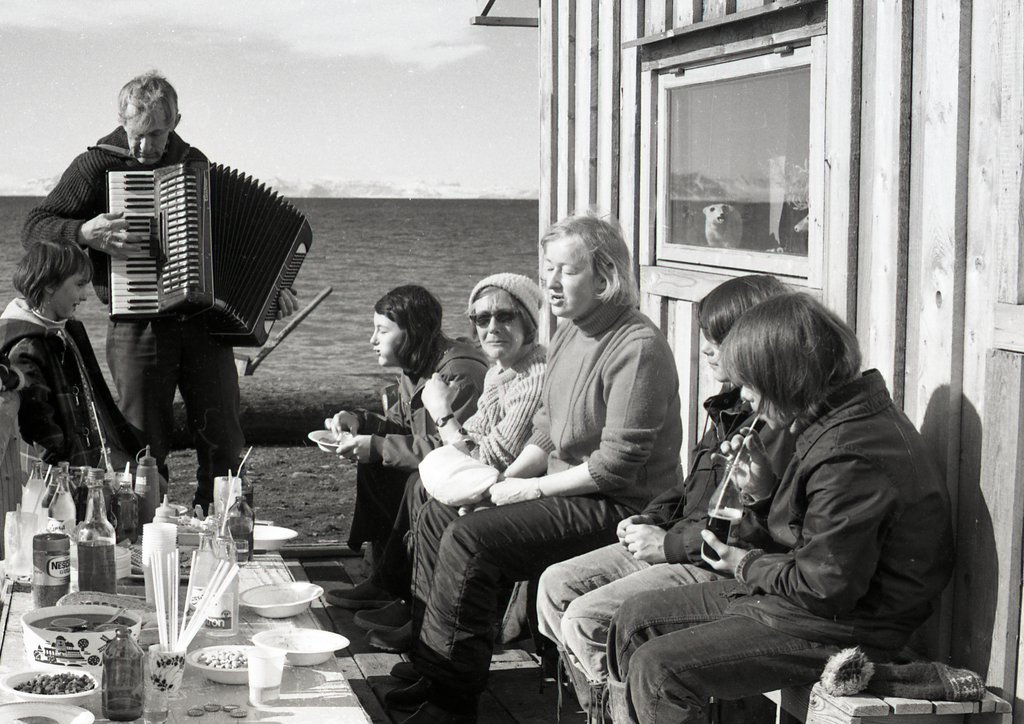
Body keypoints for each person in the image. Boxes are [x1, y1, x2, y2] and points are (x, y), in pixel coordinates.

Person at [603, 293, 954, 724]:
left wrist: (745, 564)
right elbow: (815, 543)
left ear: (788, 377)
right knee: (634, 618)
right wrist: (764, 491)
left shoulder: (851, 453)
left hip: (851, 626)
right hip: (811, 607)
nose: (745, 397)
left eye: (752, 383)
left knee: (660, 669)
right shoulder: (832, 423)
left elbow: (826, 587)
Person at [395, 214, 684, 724]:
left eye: (564, 271)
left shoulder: (636, 347)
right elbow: (549, 427)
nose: (549, 282)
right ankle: (432, 664)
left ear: (605, 277)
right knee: (444, 513)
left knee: (473, 540)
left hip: (621, 506)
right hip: (566, 490)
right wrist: (505, 483)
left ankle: (452, 702)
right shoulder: (574, 333)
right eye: (547, 268)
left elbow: (618, 466)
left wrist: (529, 493)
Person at [20, 71, 294, 513]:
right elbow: (34, 227)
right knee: (143, 446)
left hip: (204, 327)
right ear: (121, 121)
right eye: (138, 134)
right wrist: (84, 231)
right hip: (137, 326)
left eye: (158, 134)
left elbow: (229, 245)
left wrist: (272, 291)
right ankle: (146, 538)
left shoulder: (195, 162)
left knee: (225, 438)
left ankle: (221, 528)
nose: (146, 146)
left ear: (177, 121)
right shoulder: (97, 165)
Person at [533, 274, 792, 722]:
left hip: (713, 564)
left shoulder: (776, 421)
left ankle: (617, 710)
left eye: (719, 339)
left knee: (587, 618)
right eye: (705, 337)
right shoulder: (730, 408)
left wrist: (668, 545)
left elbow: (751, 533)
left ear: (756, 341)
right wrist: (652, 517)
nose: (707, 349)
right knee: (555, 586)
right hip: (680, 540)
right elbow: (694, 486)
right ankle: (606, 708)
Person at [336, 273, 549, 654]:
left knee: (422, 489)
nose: (491, 327)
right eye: (482, 320)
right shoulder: (501, 372)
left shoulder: (495, 374)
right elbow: (466, 439)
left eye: (505, 317)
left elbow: (484, 454)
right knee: (408, 478)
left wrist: (441, 412)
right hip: (490, 477)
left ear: (529, 321)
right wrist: (362, 422)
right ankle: (413, 607)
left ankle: (419, 615)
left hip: (518, 490)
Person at [322, 284, 487, 581]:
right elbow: (401, 428)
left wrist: (379, 447)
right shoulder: (415, 365)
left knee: (393, 466)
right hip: (435, 471)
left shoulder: (457, 374)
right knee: (374, 462)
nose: (372, 340)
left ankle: (394, 583)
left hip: (465, 484)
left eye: (382, 331)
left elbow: (456, 451)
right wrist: (360, 421)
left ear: (411, 333)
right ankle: (382, 576)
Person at [0, 242, 141, 469]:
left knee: (154, 482)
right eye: (79, 285)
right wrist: (80, 478)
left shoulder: (62, 332)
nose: (85, 296)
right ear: (50, 284)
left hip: (90, 457)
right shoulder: (26, 350)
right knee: (150, 487)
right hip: (69, 473)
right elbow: (42, 433)